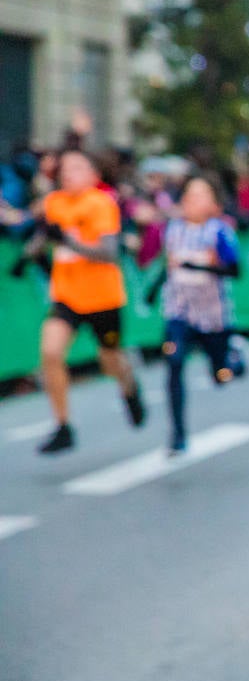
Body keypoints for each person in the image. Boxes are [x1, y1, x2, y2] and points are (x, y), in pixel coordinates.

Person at [29, 148, 145, 454]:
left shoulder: (101, 203)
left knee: (110, 361)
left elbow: (108, 252)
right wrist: (34, 251)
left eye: (78, 167)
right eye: (65, 168)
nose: (69, 173)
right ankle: (63, 425)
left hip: (103, 298)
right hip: (67, 295)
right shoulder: (54, 203)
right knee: (50, 352)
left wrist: (70, 241)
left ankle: (129, 387)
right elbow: (44, 238)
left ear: (93, 175)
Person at [154, 177, 244, 454]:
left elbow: (234, 271)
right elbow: (167, 266)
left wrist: (200, 266)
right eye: (190, 196)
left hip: (212, 314)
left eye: (202, 195)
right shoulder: (172, 231)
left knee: (222, 375)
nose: (195, 201)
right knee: (174, 360)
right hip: (179, 311)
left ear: (214, 203)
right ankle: (178, 434)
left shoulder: (220, 232)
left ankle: (235, 357)